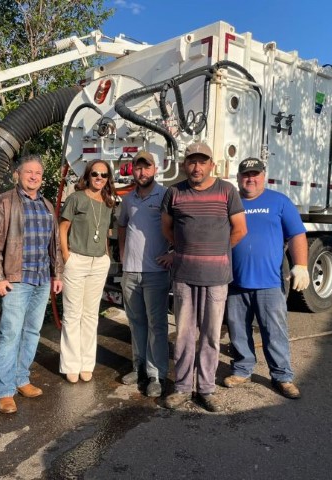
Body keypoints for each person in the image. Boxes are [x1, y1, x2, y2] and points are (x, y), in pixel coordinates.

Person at [160, 142, 247, 412]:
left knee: (210, 335)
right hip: (184, 275)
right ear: (185, 164)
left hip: (217, 276)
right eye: (192, 162)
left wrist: (217, 253)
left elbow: (240, 229)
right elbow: (167, 228)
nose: (196, 167)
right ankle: (183, 388)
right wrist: (187, 252)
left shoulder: (227, 191)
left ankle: (206, 389)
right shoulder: (174, 193)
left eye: (202, 162)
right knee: (184, 334)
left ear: (212, 164)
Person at [224, 157, 309, 399]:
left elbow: (296, 234)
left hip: (270, 282)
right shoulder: (231, 201)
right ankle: (242, 369)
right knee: (238, 330)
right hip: (235, 281)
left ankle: (282, 376)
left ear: (264, 175)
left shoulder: (279, 201)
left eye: (255, 174)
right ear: (239, 178)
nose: (250, 178)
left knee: (274, 332)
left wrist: (301, 265)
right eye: (245, 174)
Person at [0, 154, 64, 414]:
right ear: (17, 174)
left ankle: (21, 379)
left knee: (32, 333)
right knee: (10, 335)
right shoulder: (5, 202)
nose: (33, 176)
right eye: (28, 172)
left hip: (41, 280)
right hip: (16, 280)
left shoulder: (47, 205)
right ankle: (4, 390)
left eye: (38, 173)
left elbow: (54, 246)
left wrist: (57, 274)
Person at [118, 151, 171, 397]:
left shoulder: (165, 195)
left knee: (156, 325)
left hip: (155, 273)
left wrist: (172, 252)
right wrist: (122, 254)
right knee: (136, 323)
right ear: (133, 171)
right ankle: (137, 366)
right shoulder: (128, 200)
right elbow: (121, 227)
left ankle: (156, 374)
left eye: (146, 168)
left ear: (155, 169)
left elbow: (179, 226)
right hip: (131, 272)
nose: (142, 172)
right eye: (138, 168)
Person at [59, 160, 116, 383]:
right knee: (73, 314)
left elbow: (104, 232)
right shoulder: (76, 198)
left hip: (98, 263)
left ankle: (86, 363)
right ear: (88, 175)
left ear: (108, 178)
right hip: (77, 260)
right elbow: (62, 228)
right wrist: (67, 256)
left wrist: (106, 257)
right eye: (95, 174)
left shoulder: (109, 202)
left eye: (103, 175)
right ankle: (71, 364)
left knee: (91, 315)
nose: (99, 178)